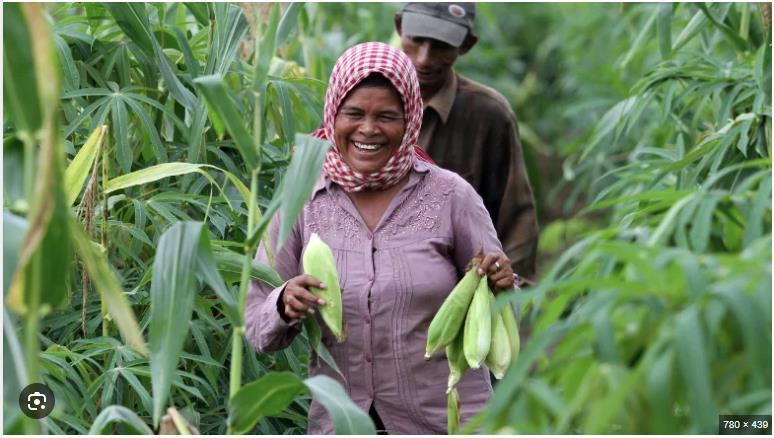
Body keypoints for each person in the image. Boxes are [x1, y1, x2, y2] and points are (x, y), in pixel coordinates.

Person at [245, 42, 517, 434]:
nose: (368, 129)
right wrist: (284, 303)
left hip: (445, 422)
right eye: (354, 113)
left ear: (410, 120)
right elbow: (256, 326)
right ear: (333, 113)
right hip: (342, 422)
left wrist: (501, 285)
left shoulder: (451, 196)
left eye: (387, 116)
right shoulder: (303, 197)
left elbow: (501, 308)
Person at [395, 2, 539, 282]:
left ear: (466, 44)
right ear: (400, 27)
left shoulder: (488, 115)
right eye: (417, 40)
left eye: (441, 46)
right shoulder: (362, 100)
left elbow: (516, 215)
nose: (424, 58)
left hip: (461, 289)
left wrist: (511, 290)